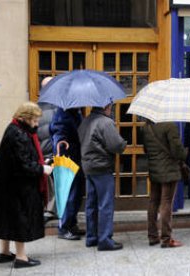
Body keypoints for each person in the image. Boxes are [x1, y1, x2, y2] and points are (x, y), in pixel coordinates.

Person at [0, 102, 53, 268]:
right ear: (24, 118)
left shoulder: (13, 129)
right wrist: (43, 168)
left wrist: (42, 162)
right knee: (19, 219)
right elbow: (24, 164)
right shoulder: (19, 134)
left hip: (6, 185)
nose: (37, 124)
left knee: (7, 219)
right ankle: (21, 257)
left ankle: (5, 252)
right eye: (35, 120)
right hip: (16, 187)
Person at [78, 104, 127, 251]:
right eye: (110, 107)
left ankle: (91, 237)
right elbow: (117, 145)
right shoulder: (105, 122)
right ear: (106, 107)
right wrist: (123, 143)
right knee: (105, 204)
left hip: (88, 166)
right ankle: (105, 239)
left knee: (91, 204)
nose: (111, 109)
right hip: (102, 167)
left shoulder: (85, 121)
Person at [142, 121, 187, 248]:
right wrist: (185, 152)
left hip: (154, 168)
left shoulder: (146, 127)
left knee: (153, 202)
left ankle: (152, 236)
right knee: (166, 202)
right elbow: (177, 151)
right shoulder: (170, 126)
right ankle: (166, 238)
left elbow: (146, 149)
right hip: (169, 169)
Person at [50, 107, 85, 240]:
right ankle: (64, 228)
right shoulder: (62, 116)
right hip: (67, 159)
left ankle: (71, 224)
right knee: (69, 194)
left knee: (76, 194)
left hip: (75, 156)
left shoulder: (74, 113)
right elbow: (59, 139)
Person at [37, 76, 58, 223]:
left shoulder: (34, 108)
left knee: (46, 184)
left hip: (40, 153)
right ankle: (51, 211)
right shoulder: (59, 109)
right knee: (59, 184)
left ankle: (46, 210)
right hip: (55, 152)